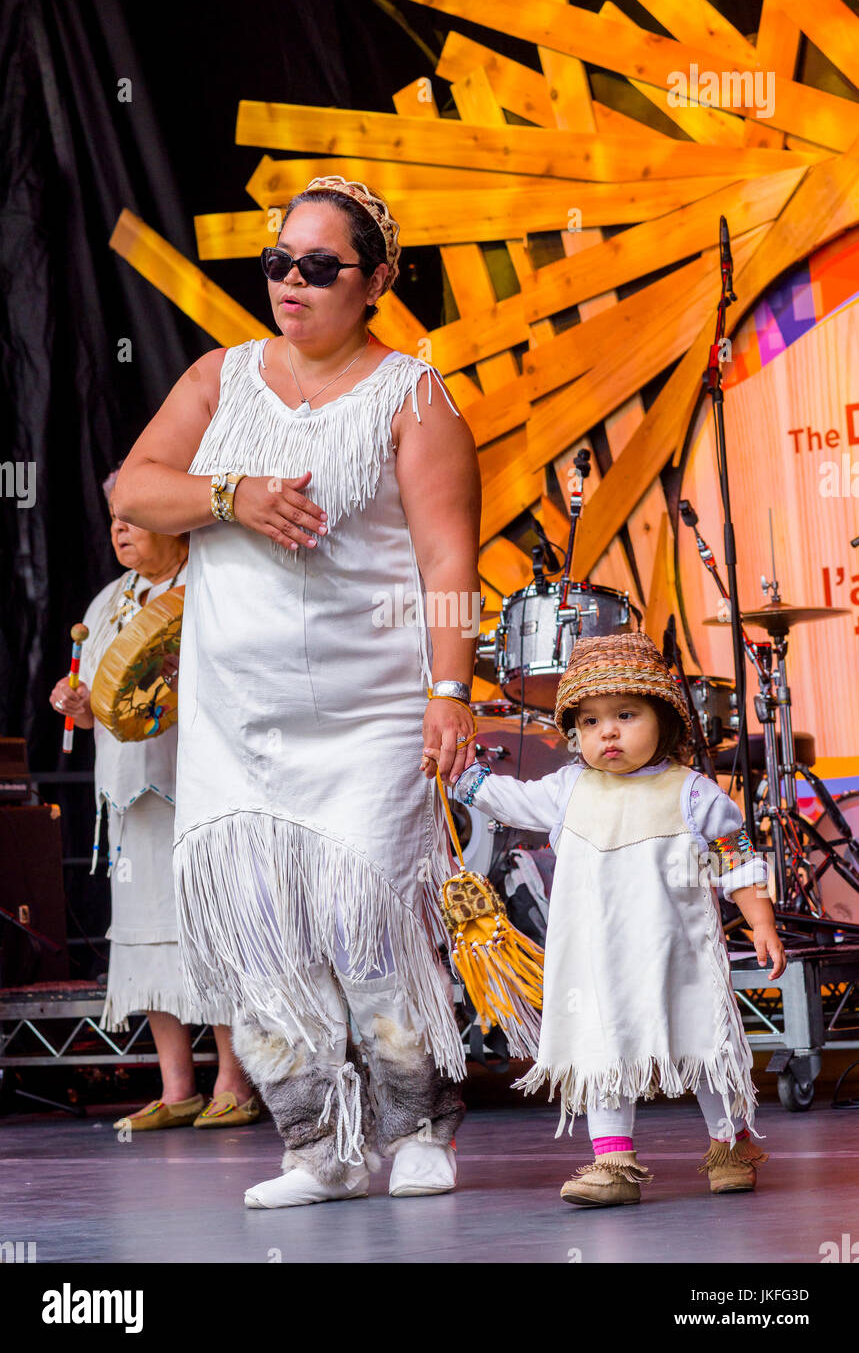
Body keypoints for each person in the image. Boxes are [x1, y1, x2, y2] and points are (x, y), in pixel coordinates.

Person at [112, 175, 482, 1204]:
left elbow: (450, 560)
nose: (291, 281)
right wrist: (231, 495)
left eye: (320, 266)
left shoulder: (413, 395)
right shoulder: (220, 379)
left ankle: (419, 1126)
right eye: (279, 261)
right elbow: (134, 486)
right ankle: (318, 1144)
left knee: (370, 928)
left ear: (377, 282)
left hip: (368, 711)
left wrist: (450, 688)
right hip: (238, 717)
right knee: (261, 932)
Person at [449, 631, 787, 1206]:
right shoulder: (568, 791)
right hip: (597, 964)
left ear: (665, 720)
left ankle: (729, 1145)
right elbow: (506, 798)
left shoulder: (691, 793)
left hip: (678, 955)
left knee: (705, 1044)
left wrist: (760, 921)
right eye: (589, 722)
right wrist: (460, 773)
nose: (607, 732)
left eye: (626, 715)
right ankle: (614, 1162)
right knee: (603, 1053)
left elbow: (734, 859)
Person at [49, 472, 257, 1131]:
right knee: (145, 934)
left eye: (134, 514)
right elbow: (106, 707)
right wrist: (77, 708)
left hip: (201, 787)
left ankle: (235, 1080)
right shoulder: (110, 599)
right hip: (130, 793)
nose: (120, 528)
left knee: (210, 929)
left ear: (173, 516)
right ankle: (176, 1089)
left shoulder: (212, 590)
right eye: (114, 515)